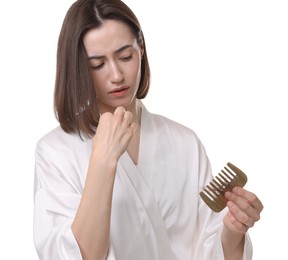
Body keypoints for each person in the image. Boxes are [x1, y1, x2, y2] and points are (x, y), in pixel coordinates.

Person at [33, 0, 263, 259]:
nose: (117, 75)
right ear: (78, 69)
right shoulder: (55, 151)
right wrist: (102, 162)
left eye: (125, 56)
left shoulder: (184, 143)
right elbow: (71, 255)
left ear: (141, 48)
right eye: (97, 64)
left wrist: (233, 231)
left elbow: (210, 249)